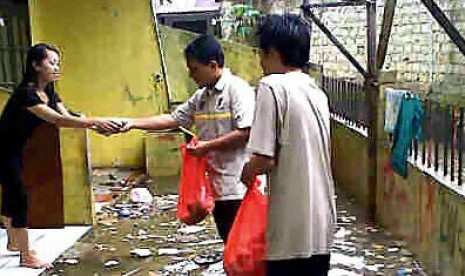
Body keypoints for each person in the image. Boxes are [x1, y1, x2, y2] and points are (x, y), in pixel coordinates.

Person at [119, 35, 255, 243]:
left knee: (244, 249)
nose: (191, 75)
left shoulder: (237, 90)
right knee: (230, 247)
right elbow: (173, 119)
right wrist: (132, 123)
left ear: (212, 65)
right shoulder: (202, 96)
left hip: (239, 187)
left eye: (194, 69)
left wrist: (206, 147)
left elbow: (247, 132)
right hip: (217, 188)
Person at [0, 43, 119, 269]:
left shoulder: (50, 93)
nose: (56, 68)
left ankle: (14, 243)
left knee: (11, 195)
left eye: (57, 63)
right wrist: (94, 122)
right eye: (51, 63)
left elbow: (67, 115)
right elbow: (58, 120)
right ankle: (26, 255)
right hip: (3, 150)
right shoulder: (27, 94)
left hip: (16, 150)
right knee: (19, 197)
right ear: (36, 65)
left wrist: (95, 123)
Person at [240, 14, 337, 276]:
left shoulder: (272, 86)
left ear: (272, 52)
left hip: (290, 229)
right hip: (321, 226)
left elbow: (264, 159)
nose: (259, 62)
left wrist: (246, 173)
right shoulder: (316, 91)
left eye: (260, 54)